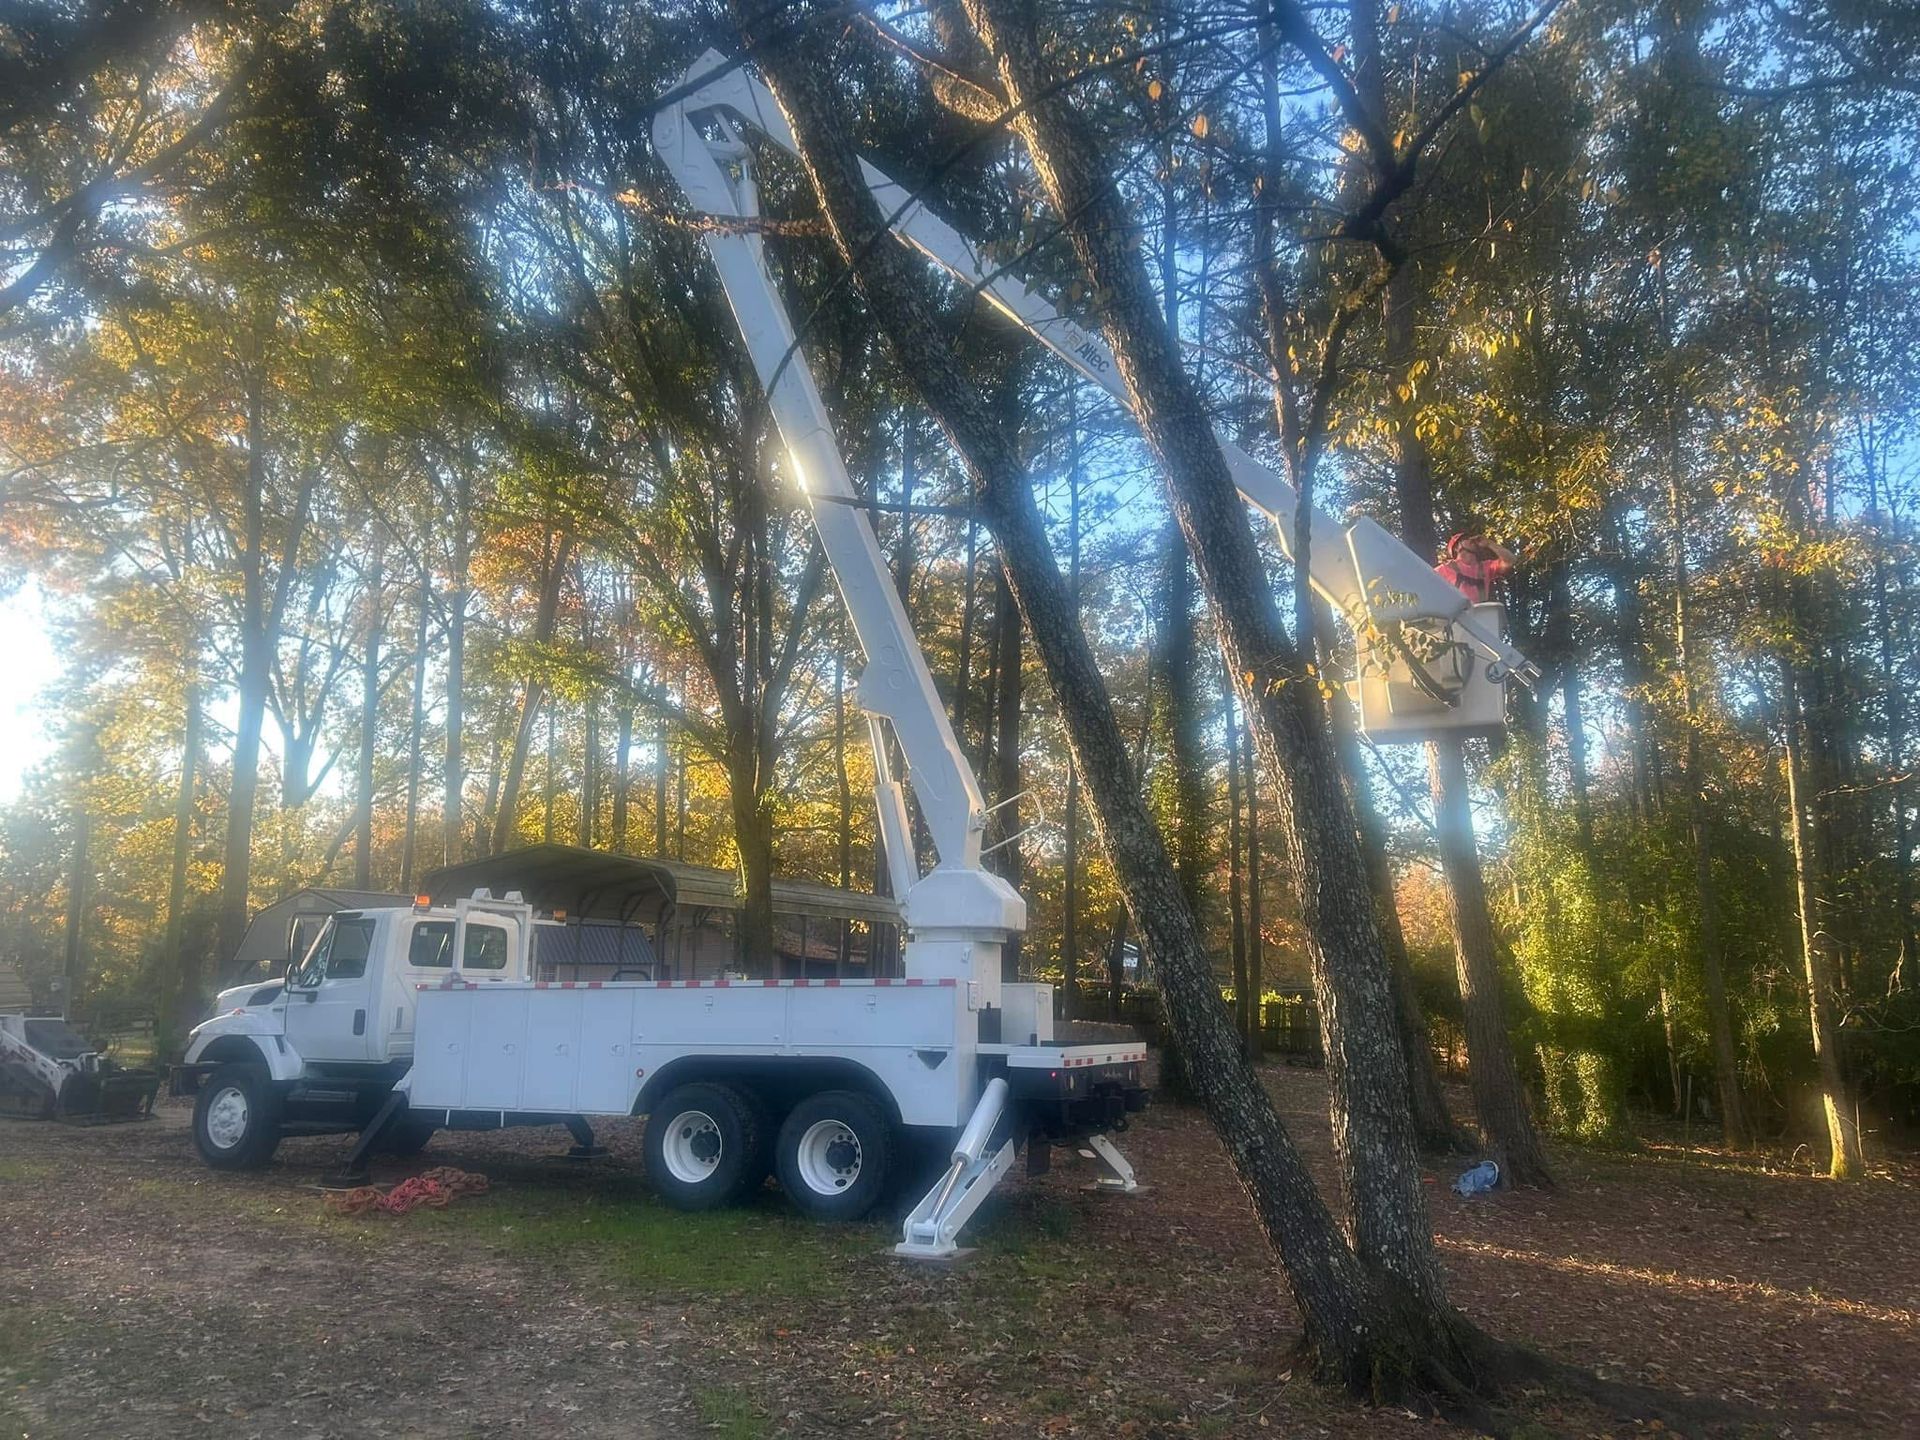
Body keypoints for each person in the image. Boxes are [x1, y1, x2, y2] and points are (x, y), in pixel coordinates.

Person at [1435, 520, 1514, 603]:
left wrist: (1489, 544)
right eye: (1465, 539)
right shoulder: (1446, 568)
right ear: (1456, 547)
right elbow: (1427, 583)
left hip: (1480, 614)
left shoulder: (1486, 567)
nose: (1471, 540)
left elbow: (1510, 560)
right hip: (1458, 614)